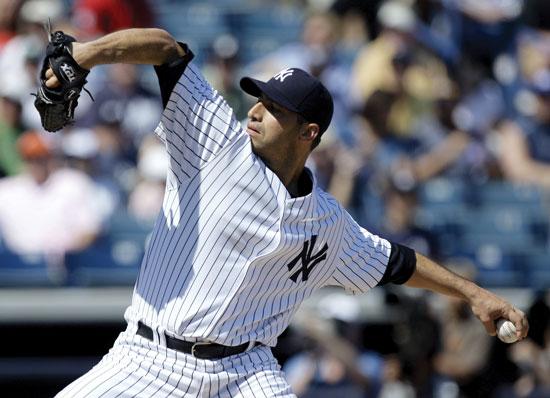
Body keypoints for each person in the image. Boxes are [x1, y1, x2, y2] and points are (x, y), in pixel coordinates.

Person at [45, 28, 529, 397]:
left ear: (308, 132)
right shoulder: (215, 142)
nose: (255, 111)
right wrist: (86, 54)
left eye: (274, 107)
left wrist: (474, 294)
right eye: (259, 99)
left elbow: (396, 262)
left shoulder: (327, 222)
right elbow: (167, 48)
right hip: (150, 358)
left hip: (244, 373)